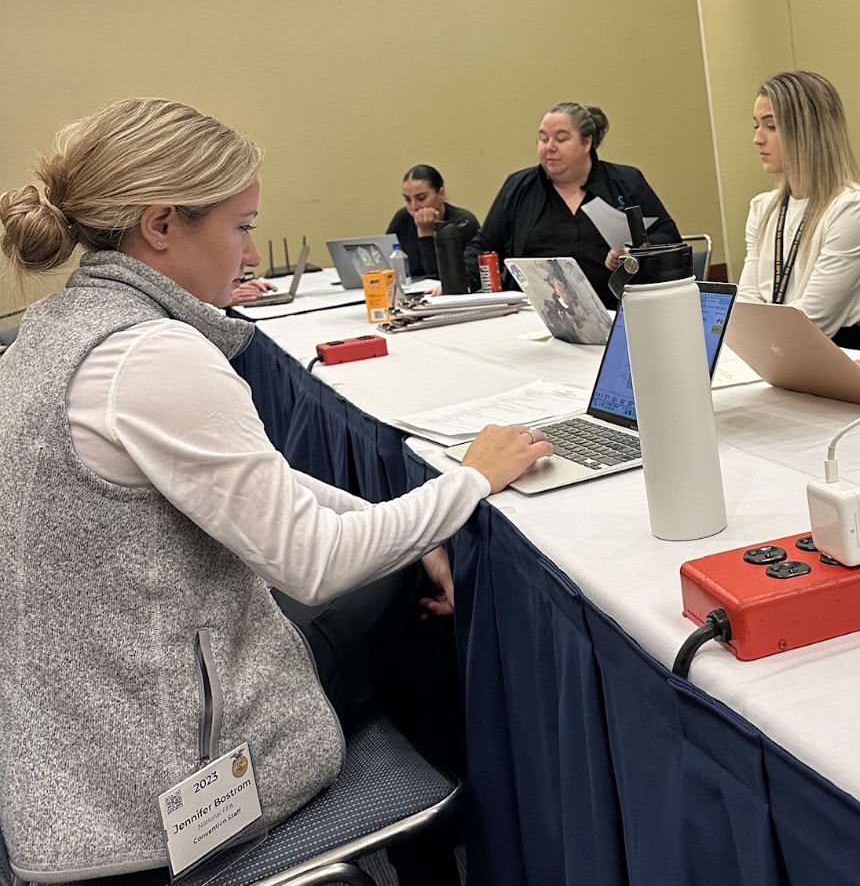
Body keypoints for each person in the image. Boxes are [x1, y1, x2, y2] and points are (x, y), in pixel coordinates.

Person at [0, 96, 553, 883]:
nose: (251, 252)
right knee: (412, 607)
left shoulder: (56, 328)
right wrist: (471, 482)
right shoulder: (150, 355)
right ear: (162, 225)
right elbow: (315, 563)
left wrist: (416, 526)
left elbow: (255, 481)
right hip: (158, 795)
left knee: (397, 563)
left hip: (72, 767)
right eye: (241, 226)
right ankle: (462, 854)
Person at [463, 102, 681, 309]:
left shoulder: (626, 182)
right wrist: (461, 285)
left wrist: (633, 252)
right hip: (534, 313)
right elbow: (482, 247)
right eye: (543, 138)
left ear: (586, 143)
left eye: (561, 138)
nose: (549, 147)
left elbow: (668, 235)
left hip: (617, 308)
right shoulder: (518, 188)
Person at [738, 70, 860, 348]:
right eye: (756, 126)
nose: (758, 138)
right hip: (771, 349)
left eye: (771, 126)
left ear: (809, 131)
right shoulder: (762, 208)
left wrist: (755, 343)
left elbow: (814, 321)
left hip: (830, 352)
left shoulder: (854, 208)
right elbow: (746, 303)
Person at [386, 164, 480, 278]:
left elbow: (439, 276)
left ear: (441, 194)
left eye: (421, 198)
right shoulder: (403, 218)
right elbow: (386, 264)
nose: (414, 206)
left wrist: (426, 233)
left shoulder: (463, 222)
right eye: (407, 199)